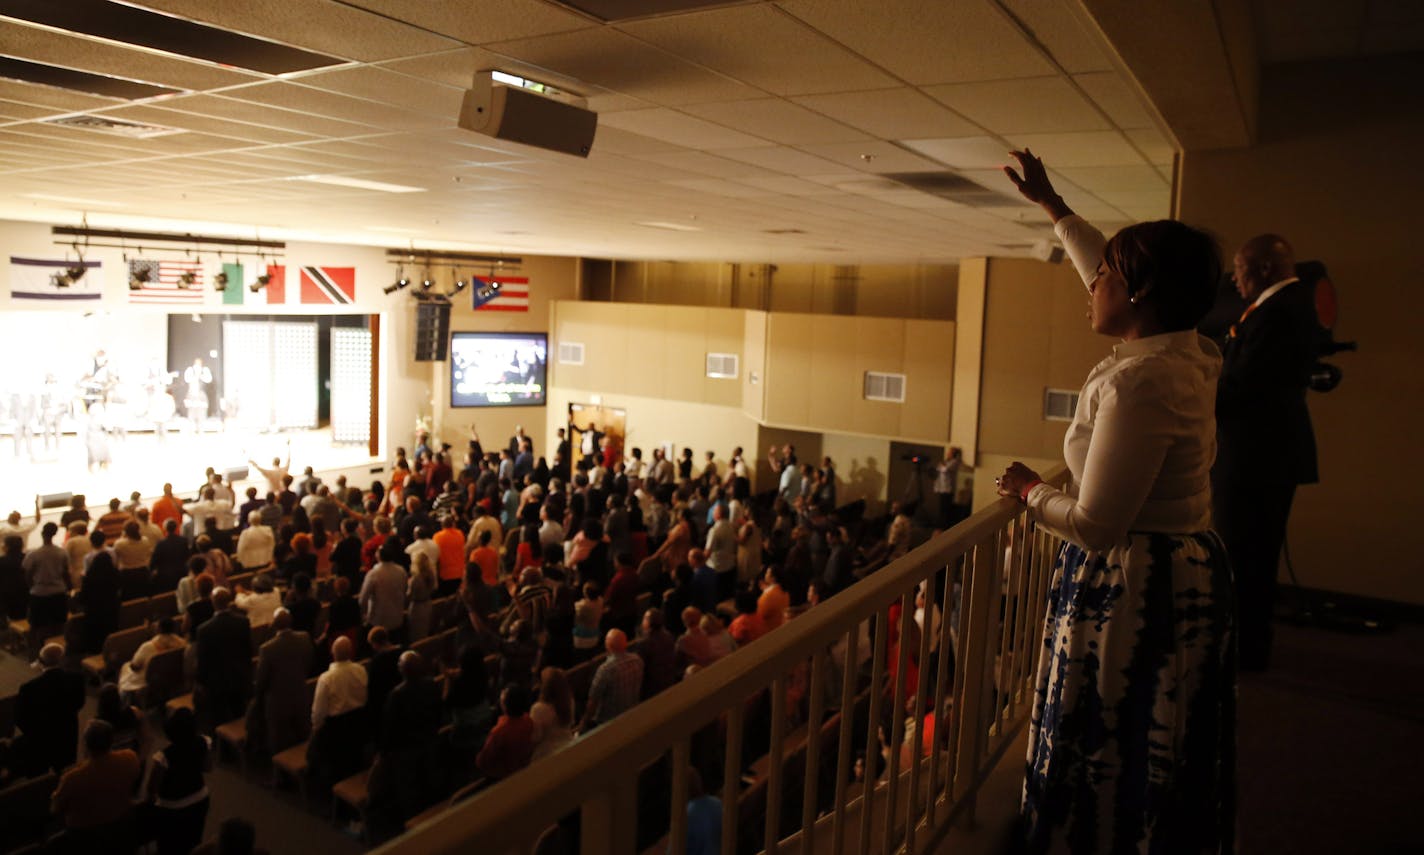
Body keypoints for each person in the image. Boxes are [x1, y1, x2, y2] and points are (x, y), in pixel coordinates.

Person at [996, 148, 1234, 854]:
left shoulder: (1141, 384)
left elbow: (1097, 524)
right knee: (1162, 734)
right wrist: (1053, 206)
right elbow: (1107, 266)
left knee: (1115, 732)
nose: (1090, 283)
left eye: (1103, 277)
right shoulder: (1188, 348)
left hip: (1137, 587)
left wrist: (1031, 491)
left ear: (1139, 293)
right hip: (1180, 564)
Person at [1213, 233, 1320, 672]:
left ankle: (1244, 651)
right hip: (1264, 454)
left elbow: (1243, 387)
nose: (1235, 282)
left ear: (1261, 270)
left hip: (1258, 457)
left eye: (1238, 272)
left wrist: (1194, 385)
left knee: (1245, 555)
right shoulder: (1282, 307)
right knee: (1251, 554)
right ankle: (1246, 644)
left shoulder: (1281, 312)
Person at [50, 719, 141, 853]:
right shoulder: (130, 758)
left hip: (84, 837)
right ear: (112, 741)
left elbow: (54, 809)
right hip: (121, 827)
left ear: (85, 744)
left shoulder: (72, 778)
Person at [142, 707, 212, 855]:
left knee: (169, 845)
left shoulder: (163, 757)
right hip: (200, 798)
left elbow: (151, 789)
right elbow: (207, 768)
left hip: (172, 807)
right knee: (193, 839)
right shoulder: (203, 742)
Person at [14, 643, 86, 776]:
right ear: (62, 660)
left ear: (41, 663)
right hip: (67, 734)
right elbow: (79, 703)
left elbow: (20, 719)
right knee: (66, 773)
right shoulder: (77, 679)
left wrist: (34, 733)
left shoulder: (28, 689)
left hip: (39, 741)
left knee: (39, 777)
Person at [251, 608, 314, 755]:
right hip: (300, 692)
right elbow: (309, 661)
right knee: (303, 733)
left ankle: (281, 774)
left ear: (274, 624)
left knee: (278, 741)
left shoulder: (267, 649)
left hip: (277, 701)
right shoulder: (304, 637)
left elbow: (261, 680)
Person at [308, 635, 368, 787]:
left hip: (334, 731)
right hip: (358, 725)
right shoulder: (361, 670)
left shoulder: (327, 678)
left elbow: (318, 713)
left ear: (332, 653)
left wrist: (316, 731)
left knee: (313, 750)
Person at [195, 588, 253, 728]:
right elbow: (248, 650)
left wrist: (201, 682)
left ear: (213, 603)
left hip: (216, 681)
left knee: (218, 717)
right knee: (240, 711)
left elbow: (203, 661)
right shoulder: (243, 622)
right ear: (229, 602)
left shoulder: (204, 630)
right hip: (239, 675)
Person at [579, 628, 643, 733]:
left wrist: (583, 724)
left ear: (608, 646)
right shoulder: (637, 660)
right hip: (631, 713)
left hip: (607, 722)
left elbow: (592, 703)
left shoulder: (606, 669)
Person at [476, 684, 536, 781]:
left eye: (502, 700)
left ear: (505, 706)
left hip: (504, 776)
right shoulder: (529, 720)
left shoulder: (499, 731)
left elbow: (483, 762)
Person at [119, 616, 185, 701]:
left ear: (159, 629)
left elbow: (134, 666)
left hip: (149, 681)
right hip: (172, 676)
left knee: (125, 667)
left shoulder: (147, 647)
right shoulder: (182, 643)